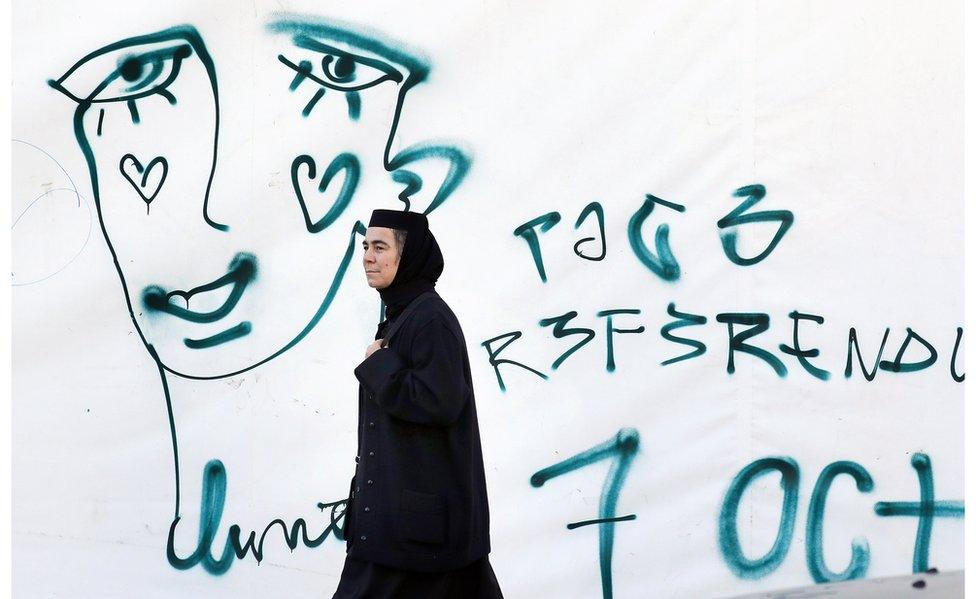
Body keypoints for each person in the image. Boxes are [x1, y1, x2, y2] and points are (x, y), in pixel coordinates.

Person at [332, 209, 503, 598]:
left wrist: (379, 364)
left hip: (414, 534)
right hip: (407, 529)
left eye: (380, 247)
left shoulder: (429, 319)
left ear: (407, 256)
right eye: (365, 247)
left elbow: (439, 401)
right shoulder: (405, 315)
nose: (368, 258)